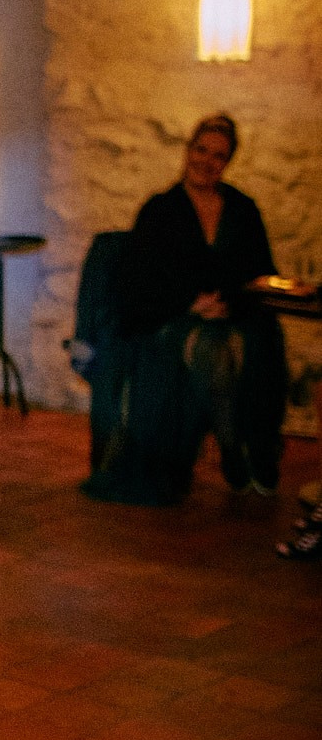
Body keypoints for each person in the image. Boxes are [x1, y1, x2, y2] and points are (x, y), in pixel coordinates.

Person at [86, 114, 285, 503]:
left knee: (245, 347)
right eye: (201, 150)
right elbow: (137, 285)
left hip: (231, 315)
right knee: (212, 352)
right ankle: (231, 449)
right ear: (188, 150)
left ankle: (250, 448)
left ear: (227, 163)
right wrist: (191, 303)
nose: (206, 161)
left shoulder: (243, 209)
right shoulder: (159, 210)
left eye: (218, 155)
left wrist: (226, 304)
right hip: (172, 318)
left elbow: (263, 275)